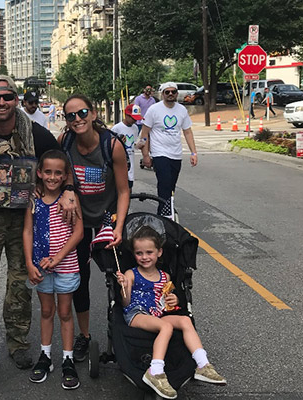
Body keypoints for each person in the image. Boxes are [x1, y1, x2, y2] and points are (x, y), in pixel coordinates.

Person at [0, 75, 76, 381]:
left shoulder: (36, 135)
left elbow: (63, 166)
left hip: (25, 221)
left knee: (20, 285)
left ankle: (18, 342)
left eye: (7, 97)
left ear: (16, 100)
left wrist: (67, 192)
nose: (1, 103)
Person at [58, 94, 130, 362]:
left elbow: (124, 191)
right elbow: (60, 171)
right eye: (71, 116)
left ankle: (125, 331)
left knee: (117, 276)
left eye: (82, 112)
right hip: (77, 219)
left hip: (106, 217)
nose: (77, 119)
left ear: (93, 114)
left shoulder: (112, 146)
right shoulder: (65, 142)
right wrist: (67, 189)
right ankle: (84, 336)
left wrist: (119, 227)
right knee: (80, 279)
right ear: (66, 122)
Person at [116, 226, 226, 399]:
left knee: (185, 321)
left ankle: (203, 364)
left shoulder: (165, 277)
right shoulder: (131, 274)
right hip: (137, 313)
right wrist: (125, 286)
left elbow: (167, 302)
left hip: (158, 312)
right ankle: (156, 371)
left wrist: (173, 300)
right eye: (139, 253)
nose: (144, 257)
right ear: (134, 254)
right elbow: (125, 302)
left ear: (159, 252)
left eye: (149, 252)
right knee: (166, 327)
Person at [23, 149, 84, 390]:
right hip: (40, 266)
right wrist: (29, 263)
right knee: (46, 311)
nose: (52, 177)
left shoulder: (70, 200)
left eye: (58, 173)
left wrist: (58, 258)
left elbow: (78, 232)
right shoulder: (33, 200)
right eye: (47, 172)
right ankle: (45, 356)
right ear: (39, 173)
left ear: (65, 176)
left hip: (66, 266)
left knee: (65, 312)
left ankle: (68, 358)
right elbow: (27, 231)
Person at [140, 82, 198, 217]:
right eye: (167, 92)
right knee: (164, 183)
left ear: (177, 94)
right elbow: (144, 134)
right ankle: (164, 213)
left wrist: (193, 152)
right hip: (159, 153)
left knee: (171, 185)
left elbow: (187, 132)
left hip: (176, 154)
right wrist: (146, 155)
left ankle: (168, 208)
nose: (170, 94)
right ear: (162, 94)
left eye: (173, 92)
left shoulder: (182, 110)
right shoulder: (154, 110)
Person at [111, 103, 143, 190]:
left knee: (129, 189)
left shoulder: (135, 128)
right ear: (126, 115)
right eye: (133, 118)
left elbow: (132, 144)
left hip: (130, 165)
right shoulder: (116, 128)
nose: (135, 121)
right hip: (120, 164)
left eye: (136, 119)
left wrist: (138, 145)